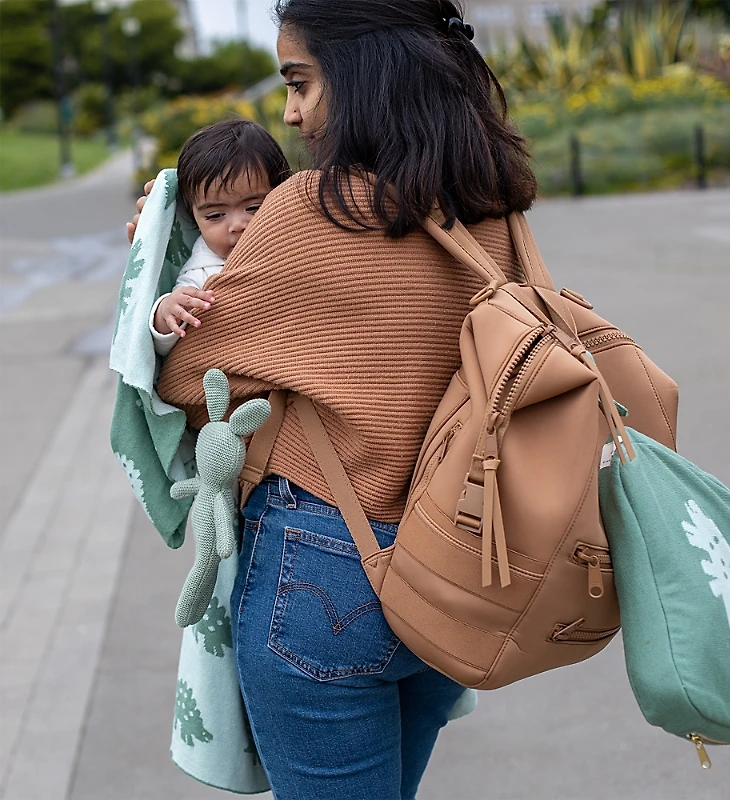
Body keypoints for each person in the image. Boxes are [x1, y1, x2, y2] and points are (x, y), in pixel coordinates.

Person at [128, 2, 537, 797]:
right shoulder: (495, 205)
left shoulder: (309, 209)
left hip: (323, 569)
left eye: (300, 82)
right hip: (457, 561)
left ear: (364, 71)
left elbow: (185, 379)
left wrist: (161, 256)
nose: (290, 111)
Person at [148, 119, 291, 356]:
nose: (237, 225)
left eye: (254, 208)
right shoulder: (201, 273)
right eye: (215, 215)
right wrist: (167, 312)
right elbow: (167, 346)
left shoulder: (294, 245)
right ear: (194, 219)